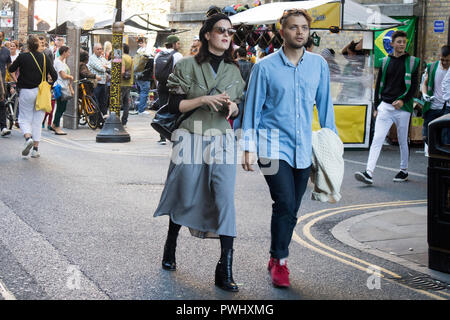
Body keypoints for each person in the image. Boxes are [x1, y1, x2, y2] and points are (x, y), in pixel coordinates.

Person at [241, 9, 337, 288]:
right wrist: (248, 146)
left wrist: (331, 144)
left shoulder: (318, 65)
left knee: (292, 208)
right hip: (271, 147)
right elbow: (253, 109)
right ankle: (281, 262)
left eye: (304, 28)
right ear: (281, 31)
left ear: (309, 32)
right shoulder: (265, 67)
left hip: (302, 148)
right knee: (284, 202)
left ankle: (275, 254)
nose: (299, 32)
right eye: (293, 27)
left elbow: (325, 105)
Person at [153, 13, 245, 292]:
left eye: (230, 32)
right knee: (184, 192)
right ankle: (171, 244)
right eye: (220, 30)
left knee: (226, 198)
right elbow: (174, 107)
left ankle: (225, 267)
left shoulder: (234, 70)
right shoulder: (186, 65)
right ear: (207, 34)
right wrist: (204, 99)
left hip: (222, 138)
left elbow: (237, 105)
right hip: (190, 136)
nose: (226, 36)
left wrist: (233, 108)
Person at [355, 30, 420, 185]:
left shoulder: (413, 62)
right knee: (377, 138)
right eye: (399, 42)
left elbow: (414, 86)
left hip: (403, 108)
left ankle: (403, 170)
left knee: (403, 140)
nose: (402, 44)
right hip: (385, 105)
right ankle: (369, 172)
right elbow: (378, 85)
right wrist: (377, 106)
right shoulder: (385, 61)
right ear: (392, 44)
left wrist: (403, 100)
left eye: (404, 42)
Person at [8, 35, 57, 157]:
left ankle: (28, 138)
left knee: (24, 118)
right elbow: (54, 75)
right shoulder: (45, 58)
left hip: (26, 91)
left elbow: (12, 69)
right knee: (37, 121)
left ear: (28, 46)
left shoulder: (23, 57)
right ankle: (35, 149)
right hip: (41, 92)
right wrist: (49, 84)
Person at [153, 35, 183, 144]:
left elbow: (155, 72)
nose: (179, 45)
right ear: (174, 44)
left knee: (162, 109)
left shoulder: (159, 54)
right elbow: (181, 73)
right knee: (175, 109)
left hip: (161, 85)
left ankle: (162, 137)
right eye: (178, 43)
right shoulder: (178, 55)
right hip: (173, 86)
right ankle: (174, 135)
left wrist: (158, 85)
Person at [421, 45, 450, 153]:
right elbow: (425, 83)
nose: (445, 62)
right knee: (427, 136)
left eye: (447, 60)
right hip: (432, 106)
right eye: (442, 59)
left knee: (444, 138)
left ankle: (441, 163)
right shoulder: (432, 67)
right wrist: (424, 94)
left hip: (446, 108)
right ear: (439, 56)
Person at [51, 46, 74, 135]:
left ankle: (54, 124)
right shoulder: (58, 62)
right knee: (60, 107)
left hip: (64, 87)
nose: (69, 54)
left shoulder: (62, 62)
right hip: (59, 87)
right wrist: (70, 76)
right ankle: (56, 126)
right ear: (64, 52)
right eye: (68, 52)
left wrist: (70, 87)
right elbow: (63, 75)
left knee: (62, 107)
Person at [232, 46, 253, 129]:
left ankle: (235, 135)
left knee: (238, 116)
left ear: (237, 54)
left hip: (237, 93)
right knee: (247, 116)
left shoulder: (234, 65)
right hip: (249, 93)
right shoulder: (252, 65)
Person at [88, 43, 109, 116]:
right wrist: (105, 66)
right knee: (95, 101)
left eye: (101, 49)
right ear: (94, 50)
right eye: (98, 49)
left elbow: (109, 66)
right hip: (96, 84)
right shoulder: (92, 58)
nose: (100, 50)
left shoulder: (102, 58)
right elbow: (101, 69)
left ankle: (104, 117)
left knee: (103, 102)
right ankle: (96, 118)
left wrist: (105, 66)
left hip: (103, 83)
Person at [135, 38, 153, 116]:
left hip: (138, 75)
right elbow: (150, 65)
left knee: (141, 92)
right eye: (139, 43)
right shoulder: (147, 52)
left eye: (141, 43)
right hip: (144, 76)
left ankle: (138, 108)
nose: (140, 44)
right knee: (144, 93)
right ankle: (141, 110)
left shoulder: (138, 52)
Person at [0, 31, 12, 137]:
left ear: (3, 38)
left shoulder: (6, 51)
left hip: (1, 82)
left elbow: (10, 67)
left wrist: (16, 80)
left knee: (2, 104)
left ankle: (3, 127)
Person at [120, 43, 133, 127]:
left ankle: (115, 119)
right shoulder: (130, 58)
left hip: (122, 83)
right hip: (129, 82)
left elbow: (122, 71)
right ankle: (124, 121)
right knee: (126, 104)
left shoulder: (122, 57)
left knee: (118, 102)